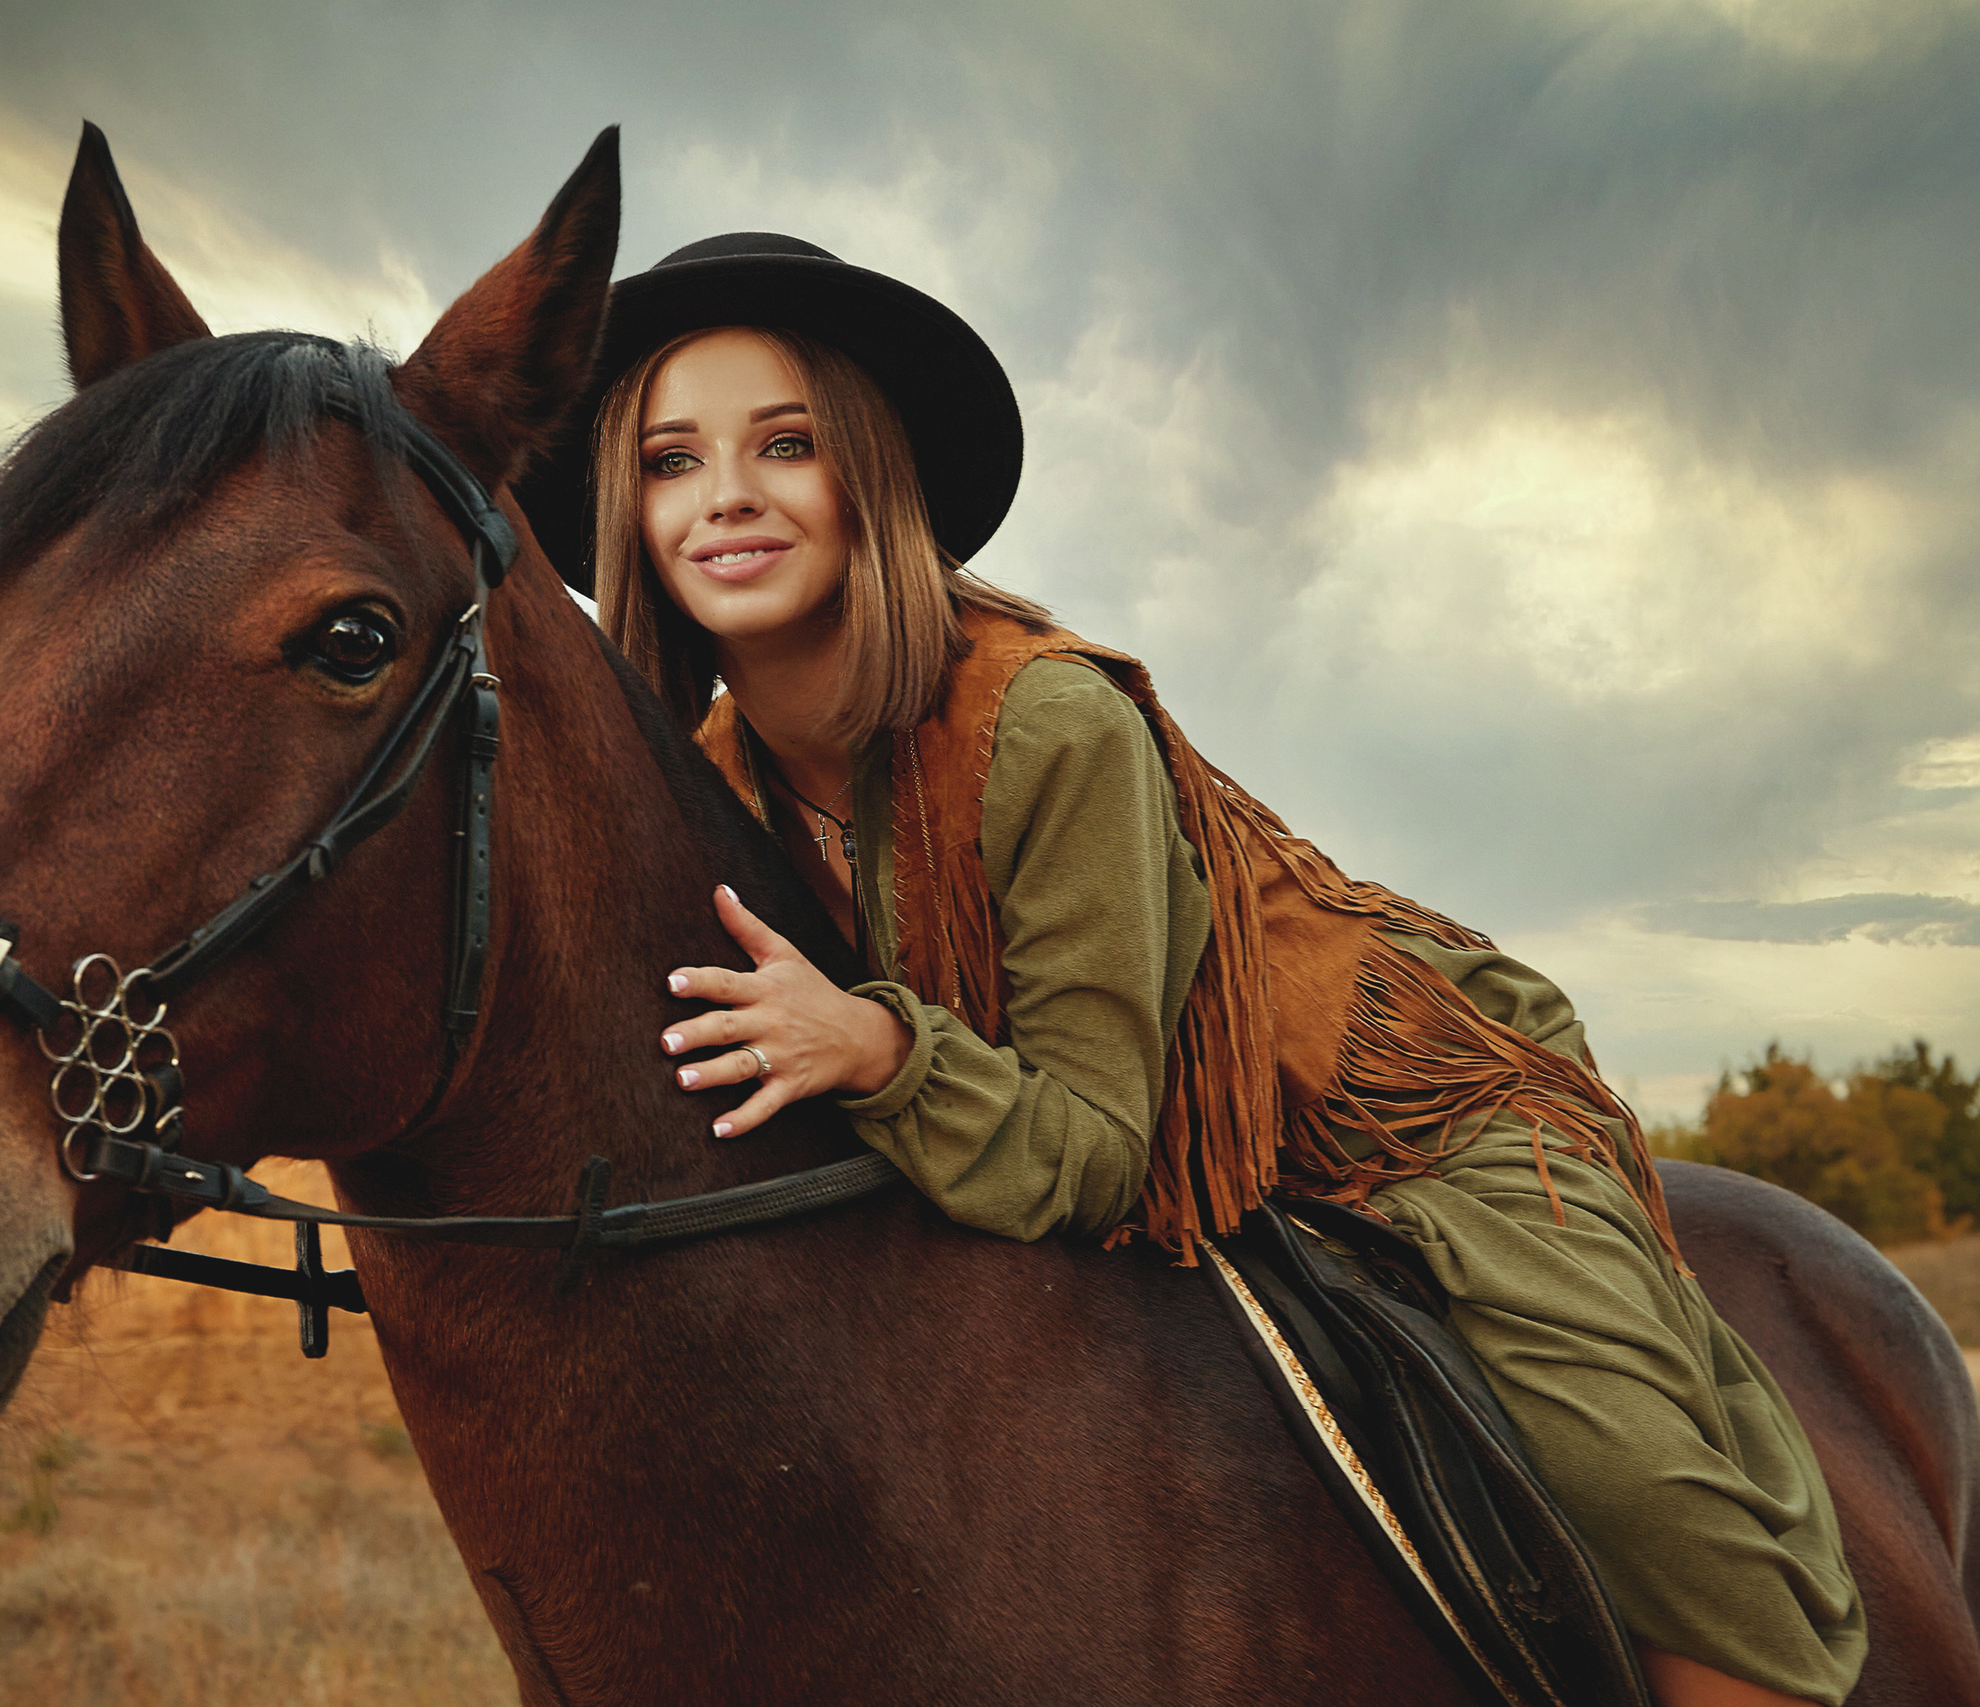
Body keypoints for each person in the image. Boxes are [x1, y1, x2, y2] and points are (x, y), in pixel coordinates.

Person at [519, 232, 1863, 1707]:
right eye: (669, 461)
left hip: (1399, 1109)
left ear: (870, 477)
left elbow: (1098, 1148)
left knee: (1641, 1489)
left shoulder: (1046, 724)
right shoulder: (710, 784)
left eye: (786, 443)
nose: (726, 497)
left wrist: (886, 1054)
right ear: (623, 514)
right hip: (1081, 1129)